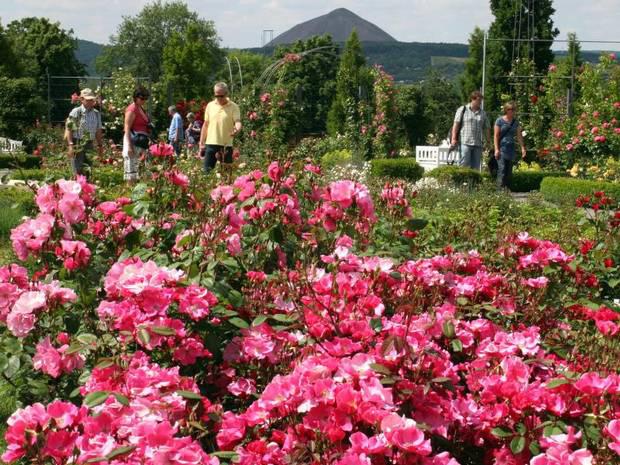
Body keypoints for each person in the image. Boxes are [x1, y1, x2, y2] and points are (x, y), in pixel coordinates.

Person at [199, 82, 242, 174]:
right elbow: (205, 125)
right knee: (206, 173)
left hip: (226, 145)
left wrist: (236, 129)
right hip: (210, 144)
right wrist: (201, 142)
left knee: (227, 176)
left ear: (227, 94)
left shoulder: (234, 107)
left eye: (221, 96)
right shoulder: (210, 106)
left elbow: (237, 122)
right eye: (216, 95)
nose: (218, 98)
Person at [64, 88, 104, 177]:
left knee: (88, 169)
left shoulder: (96, 113)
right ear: (82, 99)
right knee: (77, 169)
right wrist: (70, 145)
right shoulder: (76, 112)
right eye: (88, 100)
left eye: (91, 100)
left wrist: (100, 145)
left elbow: (98, 130)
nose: (90, 102)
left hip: (89, 143)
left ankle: (87, 188)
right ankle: (77, 188)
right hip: (77, 143)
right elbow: (69, 128)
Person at [450, 90, 491, 170]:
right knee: (464, 165)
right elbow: (456, 125)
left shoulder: (483, 113)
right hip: (465, 142)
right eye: (479, 100)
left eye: (481, 101)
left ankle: (473, 182)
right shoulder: (462, 110)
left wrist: (488, 141)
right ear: (473, 99)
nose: (480, 102)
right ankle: (462, 182)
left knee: (476, 168)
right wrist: (454, 139)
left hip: (478, 144)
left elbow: (487, 127)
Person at [494, 101, 527, 190]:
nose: (512, 111)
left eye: (513, 109)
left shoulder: (515, 122)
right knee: (502, 169)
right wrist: (496, 149)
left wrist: (522, 148)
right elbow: (496, 136)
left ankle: (506, 190)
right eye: (510, 109)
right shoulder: (499, 120)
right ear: (506, 110)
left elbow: (519, 136)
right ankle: (499, 191)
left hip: (511, 149)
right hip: (502, 148)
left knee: (509, 172)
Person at [122, 86, 152, 183]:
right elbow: (127, 127)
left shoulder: (140, 108)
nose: (144, 100)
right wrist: (129, 146)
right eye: (142, 98)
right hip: (132, 140)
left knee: (141, 167)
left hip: (141, 142)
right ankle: (130, 189)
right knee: (131, 167)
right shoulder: (132, 109)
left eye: (145, 98)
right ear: (136, 97)